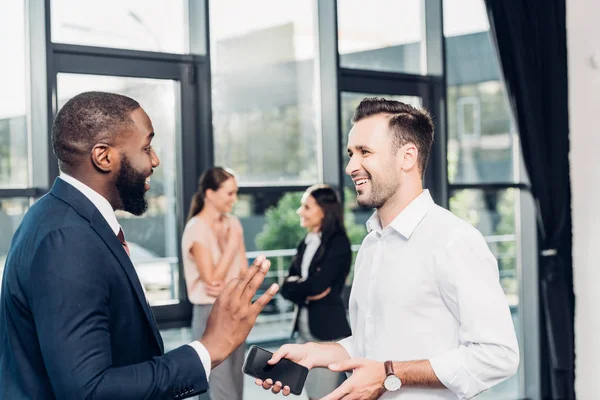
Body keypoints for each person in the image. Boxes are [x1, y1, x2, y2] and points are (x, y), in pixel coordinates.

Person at [0, 91, 278, 400]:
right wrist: (207, 349)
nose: (155, 160)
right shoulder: (67, 238)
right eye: (146, 147)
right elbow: (90, 391)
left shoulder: (61, 217)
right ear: (103, 156)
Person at [257, 97, 519, 399]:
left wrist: (391, 374)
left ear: (407, 157)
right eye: (351, 154)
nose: (350, 167)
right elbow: (372, 344)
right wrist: (321, 352)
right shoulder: (371, 243)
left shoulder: (454, 240)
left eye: (365, 152)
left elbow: (498, 356)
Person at [280, 184, 352, 400]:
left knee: (323, 395)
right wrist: (304, 287)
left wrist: (302, 286)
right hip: (304, 328)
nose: (300, 211)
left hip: (327, 331)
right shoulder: (306, 241)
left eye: (307, 207)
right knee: (310, 390)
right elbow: (286, 286)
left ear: (324, 210)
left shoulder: (338, 243)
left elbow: (316, 286)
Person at [182, 167, 246, 400]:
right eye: (229, 193)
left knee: (236, 385)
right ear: (210, 194)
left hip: (235, 308)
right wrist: (231, 244)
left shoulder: (233, 223)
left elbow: (243, 272)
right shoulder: (197, 228)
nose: (234, 199)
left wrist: (231, 283)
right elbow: (212, 279)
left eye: (235, 192)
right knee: (220, 387)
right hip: (210, 312)